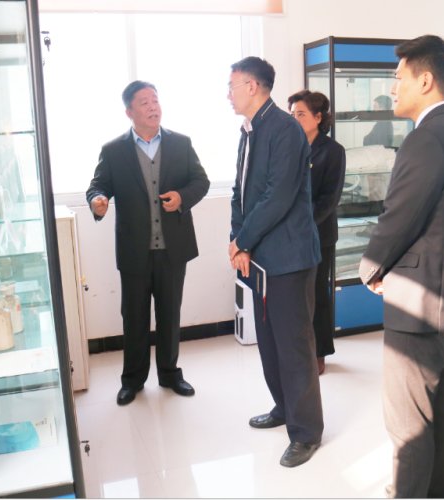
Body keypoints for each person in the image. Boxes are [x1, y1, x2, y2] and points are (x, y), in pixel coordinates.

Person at [357, 35, 444, 498]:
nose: (392, 88)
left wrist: (369, 268)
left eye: (399, 78)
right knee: (440, 410)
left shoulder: (426, 138)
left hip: (418, 301)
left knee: (408, 426)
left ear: (425, 80)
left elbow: (399, 217)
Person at [86, 81, 210, 406]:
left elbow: (201, 181)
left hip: (173, 249)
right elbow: (97, 186)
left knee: (170, 315)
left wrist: (182, 197)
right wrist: (97, 200)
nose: (153, 106)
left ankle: (170, 374)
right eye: (144, 102)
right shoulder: (113, 151)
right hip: (134, 250)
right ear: (129, 111)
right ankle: (132, 380)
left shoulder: (181, 143)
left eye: (155, 100)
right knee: (134, 318)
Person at [227, 56, 323, 468]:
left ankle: (306, 433)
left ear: (252, 86)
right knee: (268, 343)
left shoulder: (285, 129)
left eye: (231, 85)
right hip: (260, 257)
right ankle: (284, 407)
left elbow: (277, 197)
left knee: (294, 347)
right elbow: (240, 191)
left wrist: (243, 240)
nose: (227, 94)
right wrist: (238, 241)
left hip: (289, 257)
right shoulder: (249, 131)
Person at [287, 90, 347, 375]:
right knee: (296, 295)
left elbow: (329, 199)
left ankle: (320, 352)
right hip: (288, 234)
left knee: (318, 294)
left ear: (318, 117)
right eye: (292, 114)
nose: (295, 119)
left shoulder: (333, 151)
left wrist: (302, 224)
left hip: (318, 233)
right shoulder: (289, 146)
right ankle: (299, 349)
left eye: (300, 114)